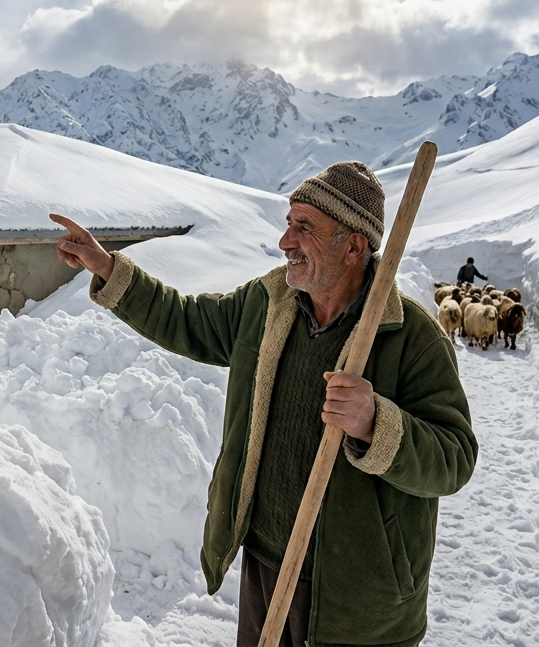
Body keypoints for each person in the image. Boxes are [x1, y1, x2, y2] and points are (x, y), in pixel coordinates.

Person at [52, 161, 476, 646]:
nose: (285, 242)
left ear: (354, 245)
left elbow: (455, 459)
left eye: (305, 228)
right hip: (267, 564)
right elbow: (188, 321)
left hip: (359, 597)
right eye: (288, 223)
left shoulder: (412, 337)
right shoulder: (270, 302)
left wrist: (376, 424)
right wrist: (109, 269)